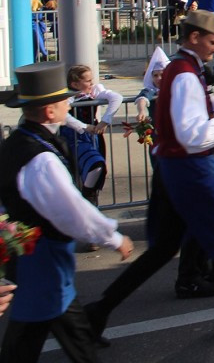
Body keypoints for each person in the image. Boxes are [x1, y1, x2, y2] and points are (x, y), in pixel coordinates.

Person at [131, 10, 214, 335]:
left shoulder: (188, 70)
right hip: (186, 166)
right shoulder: (183, 73)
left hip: (182, 164)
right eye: (211, 42)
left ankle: (101, 309)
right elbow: (192, 134)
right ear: (194, 38)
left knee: (167, 247)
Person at [0, 62, 134, 363]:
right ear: (49, 111)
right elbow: (71, 211)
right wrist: (112, 236)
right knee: (30, 338)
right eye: (63, 99)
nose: (67, 103)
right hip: (41, 258)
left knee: (51, 330)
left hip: (36, 258)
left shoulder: (20, 142)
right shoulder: (41, 158)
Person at [127, 47, 214, 301]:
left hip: (180, 162)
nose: (160, 78)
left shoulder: (179, 88)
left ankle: (200, 274)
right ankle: (192, 279)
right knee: (179, 234)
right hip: (173, 162)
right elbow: (143, 99)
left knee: (190, 228)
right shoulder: (165, 91)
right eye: (156, 75)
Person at [61, 65, 123, 213]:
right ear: (75, 84)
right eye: (88, 80)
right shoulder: (67, 96)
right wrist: (83, 126)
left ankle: (89, 196)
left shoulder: (95, 90)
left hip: (93, 137)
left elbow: (117, 97)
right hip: (74, 137)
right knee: (93, 164)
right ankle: (85, 197)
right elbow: (64, 115)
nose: (91, 83)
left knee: (97, 167)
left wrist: (105, 120)